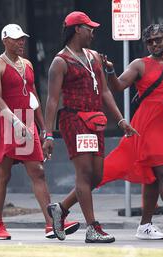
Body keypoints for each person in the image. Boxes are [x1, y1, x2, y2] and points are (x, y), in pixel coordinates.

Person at [43, 11, 138, 243]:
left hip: (95, 120)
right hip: (73, 120)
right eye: (89, 28)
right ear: (77, 29)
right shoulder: (60, 61)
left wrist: (121, 120)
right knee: (84, 173)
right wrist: (48, 134)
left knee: (96, 176)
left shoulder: (94, 57)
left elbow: (105, 91)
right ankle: (92, 227)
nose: (93, 32)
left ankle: (61, 208)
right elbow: (52, 100)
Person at [100, 23, 163, 240]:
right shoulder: (139, 65)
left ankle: (144, 226)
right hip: (147, 126)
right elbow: (117, 86)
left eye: (158, 39)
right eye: (150, 41)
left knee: (152, 178)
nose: (154, 44)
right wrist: (109, 69)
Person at [0, 24, 80, 240]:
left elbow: (33, 97)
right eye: (16, 39)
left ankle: (52, 223)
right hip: (6, 123)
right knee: (3, 174)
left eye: (23, 39)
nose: (21, 42)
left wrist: (44, 129)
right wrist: (15, 122)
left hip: (27, 124)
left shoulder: (27, 64)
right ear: (5, 40)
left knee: (38, 171)